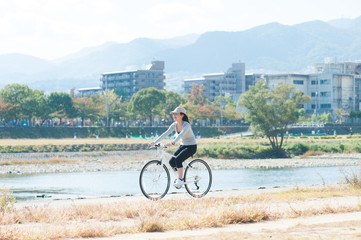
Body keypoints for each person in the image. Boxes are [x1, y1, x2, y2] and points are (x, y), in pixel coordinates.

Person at [150, 106, 197, 189]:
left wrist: (173, 142)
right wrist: (155, 142)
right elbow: (165, 133)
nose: (174, 116)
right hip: (183, 145)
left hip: (191, 146)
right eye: (173, 114)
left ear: (182, 115)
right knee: (171, 162)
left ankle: (180, 179)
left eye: (176, 114)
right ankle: (180, 176)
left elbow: (181, 134)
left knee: (178, 159)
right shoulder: (174, 125)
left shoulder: (186, 125)